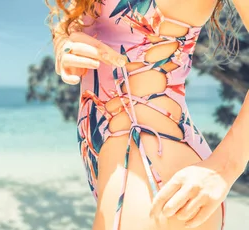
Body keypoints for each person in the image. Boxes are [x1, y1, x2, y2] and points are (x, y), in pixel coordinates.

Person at [48, 0, 249, 229]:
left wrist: (226, 167)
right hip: (112, 160)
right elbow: (73, 18)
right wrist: (65, 45)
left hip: (157, 167)